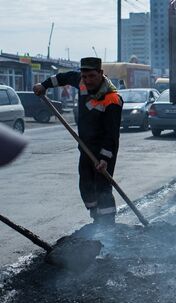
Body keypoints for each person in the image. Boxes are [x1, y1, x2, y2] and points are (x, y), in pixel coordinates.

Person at [33, 57, 123, 225]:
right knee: (86, 182)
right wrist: (43, 85)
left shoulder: (112, 99)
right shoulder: (80, 81)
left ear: (101, 74)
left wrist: (105, 159)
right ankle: (96, 216)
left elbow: (112, 135)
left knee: (102, 185)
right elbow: (61, 78)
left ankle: (108, 222)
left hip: (104, 148)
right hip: (85, 144)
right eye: (85, 76)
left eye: (91, 76)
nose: (87, 80)